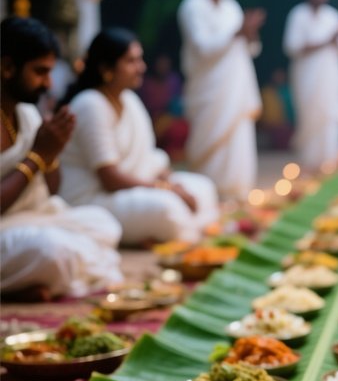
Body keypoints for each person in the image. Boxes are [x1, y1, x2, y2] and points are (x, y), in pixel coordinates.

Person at [59, 27, 218, 246]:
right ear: (106, 68)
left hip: (132, 187)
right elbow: (110, 178)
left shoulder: (130, 100)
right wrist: (168, 189)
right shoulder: (90, 104)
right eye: (131, 61)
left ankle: (171, 232)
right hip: (94, 198)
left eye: (140, 59)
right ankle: (176, 231)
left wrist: (172, 182)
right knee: (168, 209)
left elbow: (148, 157)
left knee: (203, 187)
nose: (141, 67)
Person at [0, 16, 122, 300]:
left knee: (104, 225)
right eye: (40, 72)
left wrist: (52, 153)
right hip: (8, 228)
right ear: (7, 67)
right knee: (50, 250)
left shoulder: (27, 113)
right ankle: (26, 284)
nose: (48, 83)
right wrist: (36, 157)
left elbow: (52, 190)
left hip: (31, 219)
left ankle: (33, 282)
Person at [177, 0, 264, 201]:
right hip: (209, 87)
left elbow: (249, 49)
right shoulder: (193, 5)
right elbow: (202, 48)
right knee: (208, 139)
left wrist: (250, 32)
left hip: (236, 87)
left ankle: (237, 192)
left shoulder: (231, 7)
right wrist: (237, 32)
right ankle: (207, 194)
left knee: (238, 136)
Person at [283, 0, 338, 172]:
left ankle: (330, 163)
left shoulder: (332, 15)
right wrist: (327, 40)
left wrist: (336, 38)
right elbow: (292, 46)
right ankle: (309, 163)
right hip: (307, 78)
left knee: (331, 116)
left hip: (330, 76)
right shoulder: (298, 14)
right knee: (309, 118)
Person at [139, 53, 189, 161]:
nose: (163, 66)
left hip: (173, 117)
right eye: (160, 63)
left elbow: (178, 102)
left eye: (166, 63)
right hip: (153, 119)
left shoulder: (174, 80)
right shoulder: (146, 83)